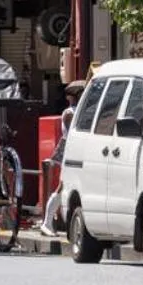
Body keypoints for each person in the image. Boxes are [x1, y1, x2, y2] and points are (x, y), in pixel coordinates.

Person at [39, 80, 87, 235]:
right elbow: (73, 130)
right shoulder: (69, 113)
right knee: (63, 185)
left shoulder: (82, 110)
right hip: (70, 148)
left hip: (81, 149)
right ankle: (47, 221)